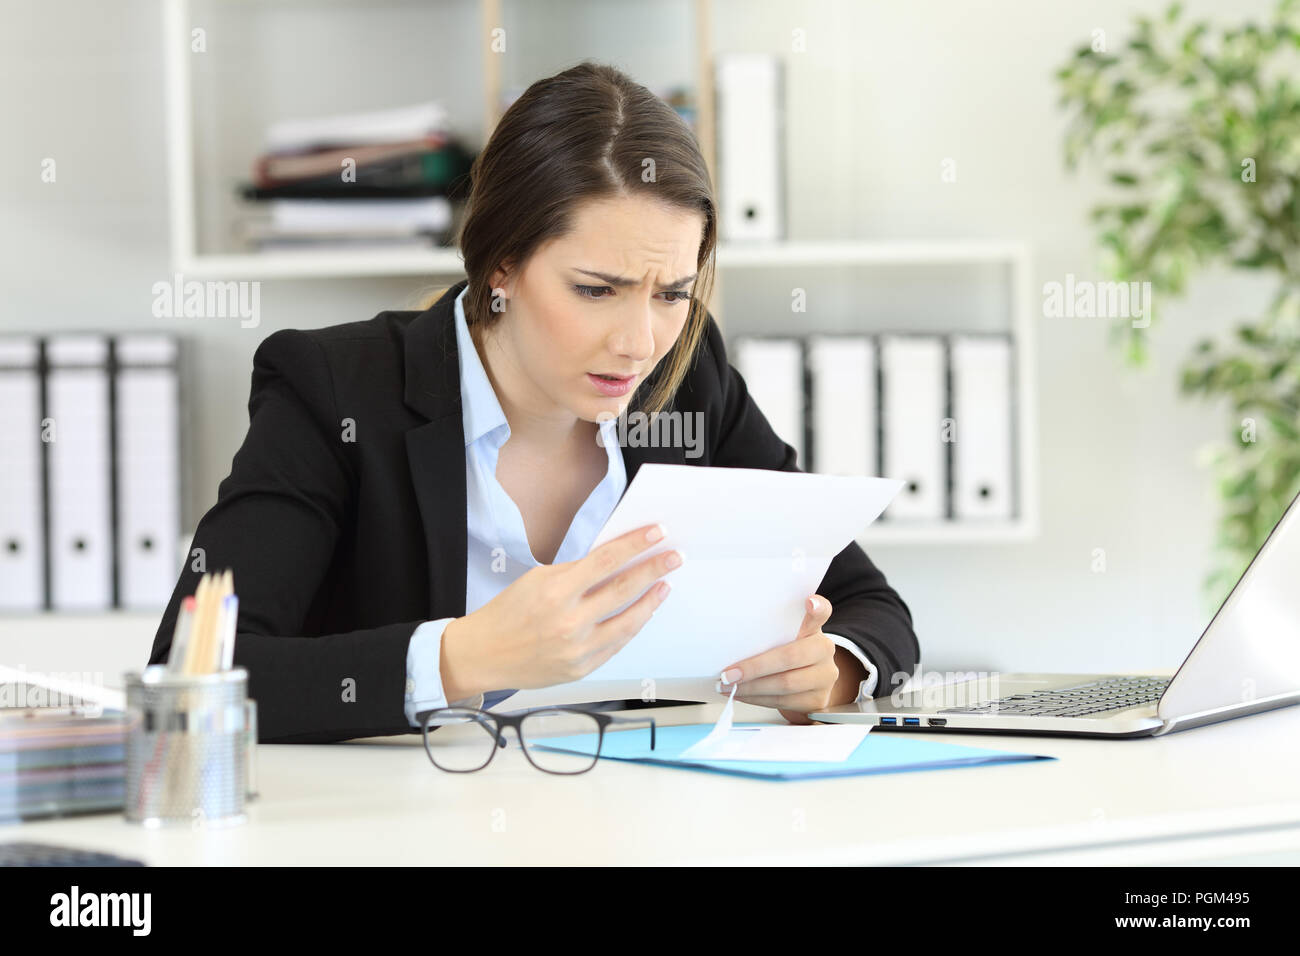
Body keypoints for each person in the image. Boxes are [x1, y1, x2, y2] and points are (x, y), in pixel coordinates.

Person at [148, 61, 919, 744]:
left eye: (673, 293)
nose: (639, 341)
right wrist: (464, 656)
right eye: (596, 290)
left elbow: (868, 604)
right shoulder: (335, 388)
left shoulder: (690, 376)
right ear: (502, 267)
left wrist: (834, 670)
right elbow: (197, 670)